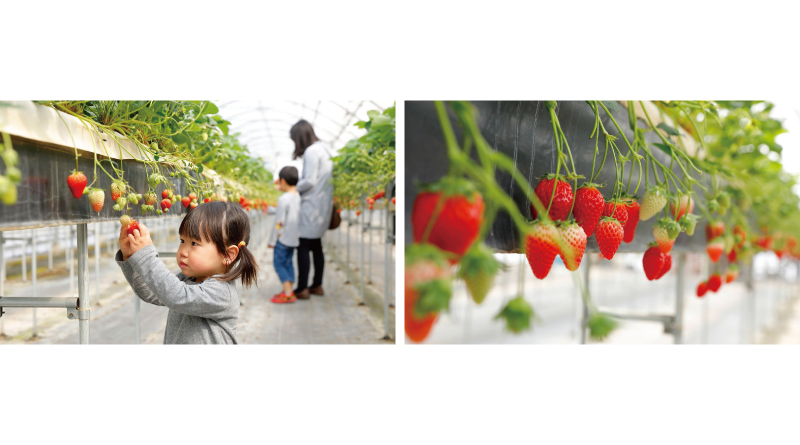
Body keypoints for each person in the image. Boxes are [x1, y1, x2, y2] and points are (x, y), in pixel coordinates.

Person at [116, 201, 258, 344]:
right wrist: (130, 257)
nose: (183, 251)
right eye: (182, 240)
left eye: (194, 243)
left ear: (228, 255)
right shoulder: (189, 278)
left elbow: (175, 295)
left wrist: (146, 256)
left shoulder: (222, 292)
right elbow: (153, 292)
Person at [291, 120, 334, 300]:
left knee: (303, 245)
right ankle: (317, 285)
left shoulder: (311, 151)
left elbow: (309, 180)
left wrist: (292, 188)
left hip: (311, 205)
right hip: (324, 204)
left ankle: (302, 288)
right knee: (316, 245)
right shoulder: (326, 148)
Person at [268, 166, 301, 304]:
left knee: (279, 263)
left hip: (283, 238)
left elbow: (279, 222)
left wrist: (272, 240)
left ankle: (287, 293)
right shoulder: (299, 197)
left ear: (282, 180)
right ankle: (289, 291)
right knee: (288, 263)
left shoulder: (283, 199)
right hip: (294, 238)